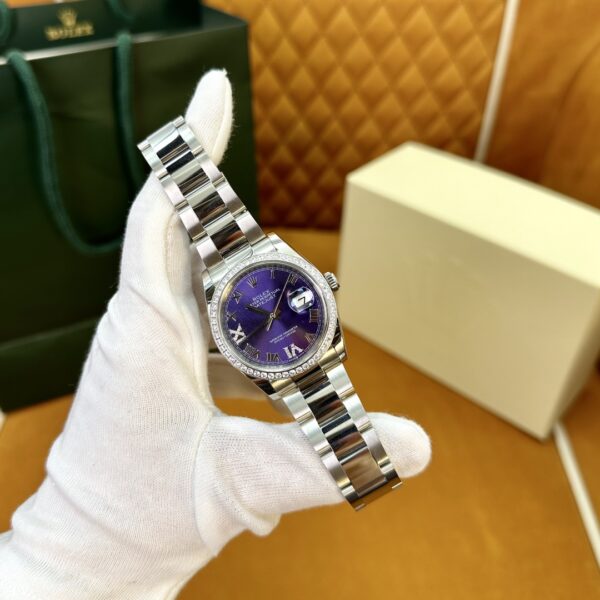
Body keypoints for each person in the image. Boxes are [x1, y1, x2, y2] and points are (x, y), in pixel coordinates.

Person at [0, 70, 430, 599]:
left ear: (321, 286)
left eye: (280, 308)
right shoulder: (241, 321)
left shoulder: (280, 296)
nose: (271, 318)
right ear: (228, 343)